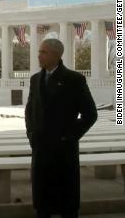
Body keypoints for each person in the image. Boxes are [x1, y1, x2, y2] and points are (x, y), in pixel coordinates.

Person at [25, 38, 97, 218]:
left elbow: (90, 114)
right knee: (42, 203)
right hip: (41, 148)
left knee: (67, 201)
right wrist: (31, 134)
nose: (39, 56)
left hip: (64, 150)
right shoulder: (35, 79)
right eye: (39, 52)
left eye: (43, 52)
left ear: (56, 55)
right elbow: (29, 110)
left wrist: (69, 136)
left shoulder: (74, 79)